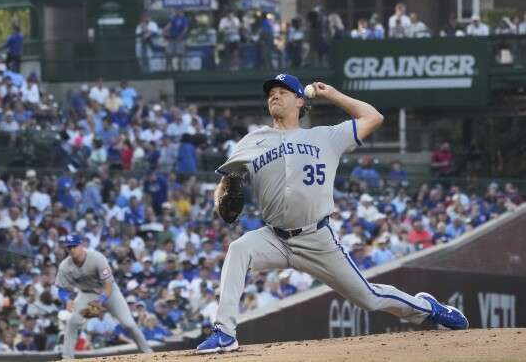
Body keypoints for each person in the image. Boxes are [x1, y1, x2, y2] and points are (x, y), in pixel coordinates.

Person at [196, 73, 468, 354]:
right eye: (271, 92)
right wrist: (224, 195)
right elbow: (227, 182)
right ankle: (225, 332)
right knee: (239, 249)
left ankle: (427, 309)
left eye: (284, 91)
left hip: (317, 238)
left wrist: (333, 95)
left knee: (368, 297)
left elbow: (373, 118)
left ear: (301, 100)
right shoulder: (251, 141)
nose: (275, 95)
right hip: (274, 237)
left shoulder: (326, 136)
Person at [54, 235, 152, 358]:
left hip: (110, 292)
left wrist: (100, 301)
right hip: (87, 293)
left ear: (82, 245)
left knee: (129, 324)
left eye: (74, 246)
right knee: (73, 321)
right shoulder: (65, 266)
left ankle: (148, 352)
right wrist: (67, 300)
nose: (72, 249)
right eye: (69, 247)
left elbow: (108, 286)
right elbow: (61, 289)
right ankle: (67, 358)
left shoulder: (97, 258)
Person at [164, 8, 190, 72]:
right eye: (176, 11)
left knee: (179, 54)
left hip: (180, 39)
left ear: (181, 11)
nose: (177, 12)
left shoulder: (184, 19)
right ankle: (169, 68)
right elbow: (168, 26)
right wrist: (164, 31)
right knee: (168, 53)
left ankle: (179, 69)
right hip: (172, 38)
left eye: (178, 11)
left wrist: (181, 35)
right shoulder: (174, 18)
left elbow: (185, 29)